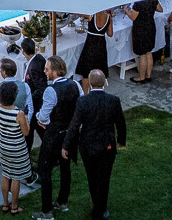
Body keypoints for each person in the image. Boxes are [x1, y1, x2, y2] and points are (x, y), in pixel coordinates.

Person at [63, 69, 126, 220]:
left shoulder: (83, 101)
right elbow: (121, 123)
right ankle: (100, 208)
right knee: (104, 178)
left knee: (92, 177)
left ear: (89, 83)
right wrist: (121, 140)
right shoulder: (113, 100)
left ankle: (97, 207)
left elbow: (74, 125)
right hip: (107, 146)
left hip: (88, 146)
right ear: (104, 82)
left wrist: (66, 145)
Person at [33, 55, 78, 220]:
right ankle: (62, 202)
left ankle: (46, 211)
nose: (44, 72)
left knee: (44, 171)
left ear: (55, 71)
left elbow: (43, 118)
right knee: (65, 168)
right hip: (69, 135)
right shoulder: (75, 85)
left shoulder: (51, 91)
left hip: (53, 135)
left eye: (47, 69)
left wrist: (38, 115)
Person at [0, 80, 31, 215]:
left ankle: (5, 204)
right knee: (16, 177)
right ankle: (14, 206)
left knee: (5, 174)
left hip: (4, 145)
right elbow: (26, 132)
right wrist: (25, 117)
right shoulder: (18, 113)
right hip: (17, 147)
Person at [126, 0, 163, 83]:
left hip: (140, 29)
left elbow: (133, 17)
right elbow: (160, 9)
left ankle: (141, 77)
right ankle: (148, 75)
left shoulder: (139, 3)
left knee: (142, 54)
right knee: (149, 52)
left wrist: (127, 11)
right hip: (150, 26)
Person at [20, 37, 47, 162]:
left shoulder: (33, 67)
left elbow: (41, 87)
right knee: (39, 128)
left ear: (23, 51)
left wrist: (29, 99)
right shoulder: (39, 59)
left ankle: (26, 154)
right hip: (36, 103)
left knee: (30, 130)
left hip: (34, 104)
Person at [76, 8, 111, 79]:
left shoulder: (91, 15)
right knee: (99, 68)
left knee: (86, 73)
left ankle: (85, 89)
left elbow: (78, 13)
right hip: (101, 44)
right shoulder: (108, 17)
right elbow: (110, 34)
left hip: (90, 44)